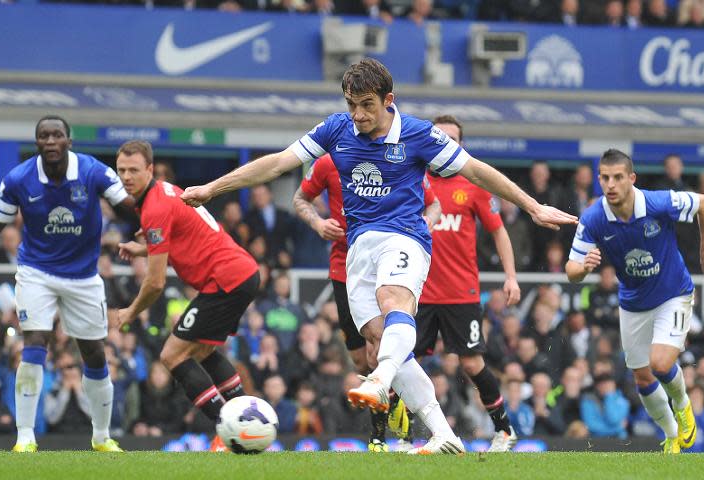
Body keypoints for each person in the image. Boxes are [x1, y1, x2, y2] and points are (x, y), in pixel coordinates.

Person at [181, 58, 576, 454]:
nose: (358, 114)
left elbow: (476, 171)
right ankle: (444, 434)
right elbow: (279, 162)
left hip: (405, 237)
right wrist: (214, 187)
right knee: (379, 337)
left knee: (393, 304)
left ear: (389, 100)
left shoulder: (419, 134)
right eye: (352, 104)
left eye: (366, 104)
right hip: (359, 249)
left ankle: (379, 380)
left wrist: (532, 206)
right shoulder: (337, 129)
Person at [0, 115, 132, 453]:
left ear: (69, 141)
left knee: (93, 354)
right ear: (37, 142)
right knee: (34, 343)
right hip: (36, 272)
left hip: (84, 276)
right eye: (44, 136)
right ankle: (25, 437)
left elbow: (129, 206)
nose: (50, 141)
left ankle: (102, 436)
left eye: (57, 135)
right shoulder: (19, 178)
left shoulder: (93, 171)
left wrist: (153, 229)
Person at [565, 148, 704, 454]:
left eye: (618, 177)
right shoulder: (595, 217)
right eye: (605, 178)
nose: (611, 184)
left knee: (661, 363)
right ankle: (672, 435)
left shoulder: (656, 202)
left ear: (631, 179)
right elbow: (571, 269)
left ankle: (684, 405)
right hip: (633, 302)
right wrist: (583, 268)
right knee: (641, 376)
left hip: (673, 293)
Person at [292, 151, 440, 451]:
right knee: (361, 359)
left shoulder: (395, 158)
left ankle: (378, 437)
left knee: (378, 350)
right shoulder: (327, 163)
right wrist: (318, 224)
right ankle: (397, 402)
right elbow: (300, 199)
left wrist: (422, 226)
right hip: (345, 268)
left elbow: (434, 204)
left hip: (386, 264)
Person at [113, 140, 258, 432]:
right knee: (200, 351)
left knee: (172, 354)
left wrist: (130, 311)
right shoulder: (166, 192)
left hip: (225, 278)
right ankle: (249, 423)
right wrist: (143, 248)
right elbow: (182, 234)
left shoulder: (153, 207)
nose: (126, 177)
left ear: (150, 169)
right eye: (121, 170)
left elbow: (155, 283)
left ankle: (231, 431)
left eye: (133, 170)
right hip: (242, 274)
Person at [410, 115, 520, 452]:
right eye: (439, 137)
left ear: (460, 145)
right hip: (418, 291)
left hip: (461, 292)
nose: (444, 143)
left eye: (452, 138)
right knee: (403, 361)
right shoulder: (413, 181)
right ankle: (396, 438)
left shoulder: (472, 185)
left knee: (472, 363)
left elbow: (498, 230)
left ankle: (503, 430)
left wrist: (511, 276)